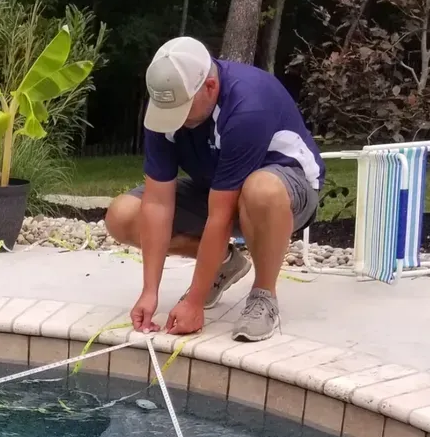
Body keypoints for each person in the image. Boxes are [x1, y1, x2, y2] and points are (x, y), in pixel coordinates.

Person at [104, 36, 325, 340]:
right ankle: (225, 263)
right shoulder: (165, 109)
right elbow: (157, 203)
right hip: (217, 190)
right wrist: (149, 293)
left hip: (287, 193)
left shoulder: (248, 105)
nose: (175, 121)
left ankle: (263, 295)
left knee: (260, 190)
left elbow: (219, 216)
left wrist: (194, 301)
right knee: (124, 215)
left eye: (183, 109)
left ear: (209, 86)